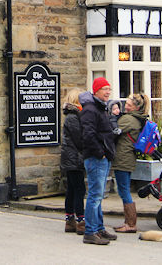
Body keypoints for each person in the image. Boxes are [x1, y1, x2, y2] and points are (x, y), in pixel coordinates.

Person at [79, 77, 118, 245]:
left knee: (98, 195)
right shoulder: (90, 109)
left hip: (103, 157)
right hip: (96, 158)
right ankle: (90, 232)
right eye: (104, 89)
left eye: (109, 89)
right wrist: (100, 153)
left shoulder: (100, 107)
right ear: (96, 91)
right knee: (95, 196)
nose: (108, 92)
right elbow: (88, 134)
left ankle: (99, 228)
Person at [112, 92, 150, 233]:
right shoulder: (137, 119)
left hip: (123, 157)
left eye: (128, 104)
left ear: (135, 107)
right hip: (127, 157)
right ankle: (129, 222)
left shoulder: (128, 120)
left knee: (124, 190)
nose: (125, 106)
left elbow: (112, 129)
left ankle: (130, 224)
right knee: (124, 189)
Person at [60, 88, 85, 234]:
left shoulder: (71, 116)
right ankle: (80, 221)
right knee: (78, 189)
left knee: (71, 189)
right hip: (74, 158)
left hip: (70, 158)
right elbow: (79, 139)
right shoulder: (73, 117)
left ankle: (69, 220)